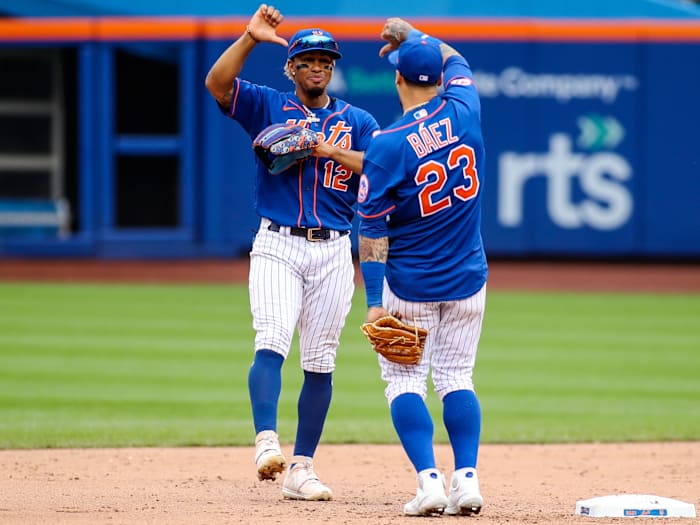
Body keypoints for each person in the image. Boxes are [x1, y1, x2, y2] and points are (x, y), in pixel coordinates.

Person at [204, 4, 379, 502]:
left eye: (326, 60)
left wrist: (326, 148)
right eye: (307, 60)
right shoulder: (267, 104)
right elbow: (218, 84)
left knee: (321, 361)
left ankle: (301, 468)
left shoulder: (358, 120)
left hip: (334, 250)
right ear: (291, 68)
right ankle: (265, 442)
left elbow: (381, 164)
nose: (317, 66)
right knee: (273, 337)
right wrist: (249, 38)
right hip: (278, 243)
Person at [357, 18, 488, 517]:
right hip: (468, 278)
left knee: (405, 383)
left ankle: (430, 483)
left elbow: (371, 231)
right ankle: (468, 479)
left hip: (410, 285)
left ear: (397, 79)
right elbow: (458, 61)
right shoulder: (465, 108)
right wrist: (416, 36)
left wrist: (372, 301)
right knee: (458, 377)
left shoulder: (387, 145)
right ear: (438, 78)